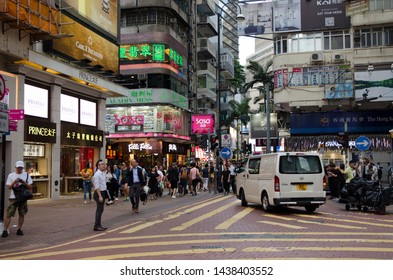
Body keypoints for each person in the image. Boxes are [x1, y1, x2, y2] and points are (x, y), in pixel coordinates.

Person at [2, 161, 33, 238]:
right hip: (13, 198)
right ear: (15, 167)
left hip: (23, 198)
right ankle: (5, 230)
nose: (19, 169)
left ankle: (19, 229)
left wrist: (24, 183)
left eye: (21, 168)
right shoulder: (11, 175)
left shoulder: (26, 175)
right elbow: (9, 187)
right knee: (9, 214)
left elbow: (30, 187)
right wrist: (14, 182)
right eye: (18, 167)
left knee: (22, 214)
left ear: (23, 168)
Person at [92, 159, 108, 231]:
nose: (103, 165)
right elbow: (96, 186)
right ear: (98, 166)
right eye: (101, 164)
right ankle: (97, 226)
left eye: (104, 164)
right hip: (99, 193)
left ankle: (98, 225)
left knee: (101, 209)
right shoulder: (97, 175)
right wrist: (100, 196)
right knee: (99, 209)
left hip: (103, 192)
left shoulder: (103, 173)